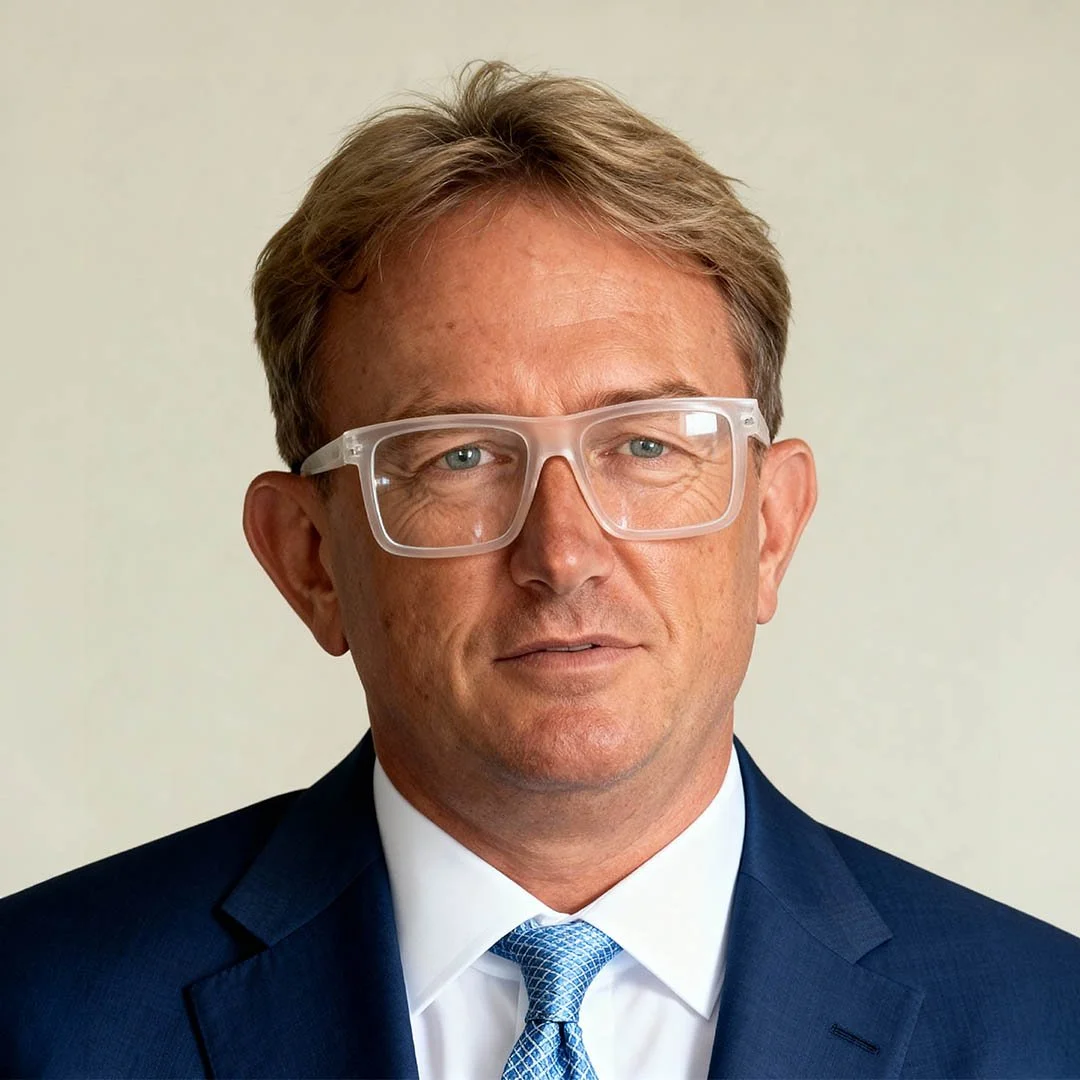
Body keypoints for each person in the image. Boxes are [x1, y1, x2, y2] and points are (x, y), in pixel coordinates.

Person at [2, 60, 1078, 1080]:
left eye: (648, 445)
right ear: (311, 559)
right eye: (458, 457)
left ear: (772, 527)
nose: (563, 553)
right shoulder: (39, 1014)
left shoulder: (1046, 1029)